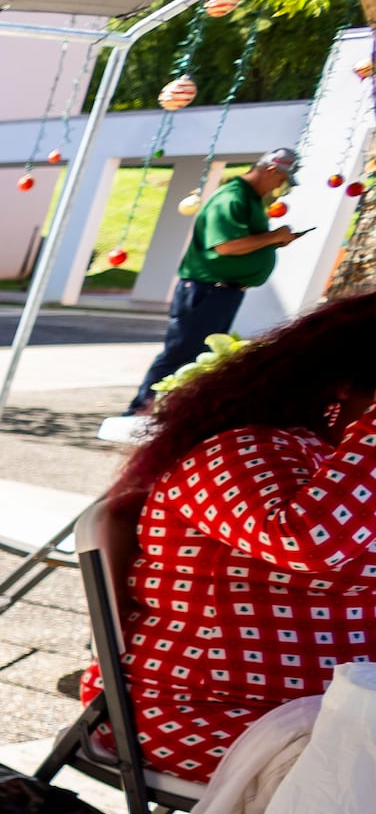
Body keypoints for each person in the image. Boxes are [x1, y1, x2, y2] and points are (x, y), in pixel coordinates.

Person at [88, 291, 376, 784]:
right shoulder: (246, 447)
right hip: (200, 711)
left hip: (325, 714)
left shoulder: (342, 465)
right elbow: (307, 542)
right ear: (343, 387)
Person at [127, 147, 301, 413]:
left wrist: (272, 242)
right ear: (270, 170)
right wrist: (274, 237)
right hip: (207, 290)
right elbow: (226, 246)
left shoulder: (251, 199)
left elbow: (242, 243)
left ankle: (170, 412)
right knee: (181, 353)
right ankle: (141, 410)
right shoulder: (232, 197)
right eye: (281, 178)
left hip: (222, 291)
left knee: (199, 358)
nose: (280, 185)